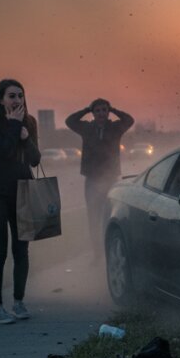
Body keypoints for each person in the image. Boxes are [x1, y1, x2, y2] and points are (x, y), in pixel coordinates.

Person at [0, 78, 41, 324]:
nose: (17, 100)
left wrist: (26, 138)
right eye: (11, 96)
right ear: (1, 99)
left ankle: (18, 302)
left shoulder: (30, 122)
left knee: (21, 249)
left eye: (20, 95)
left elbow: (35, 159)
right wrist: (14, 126)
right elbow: (2, 152)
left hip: (22, 191)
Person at [65, 99, 134, 252]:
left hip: (110, 179)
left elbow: (129, 120)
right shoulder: (86, 128)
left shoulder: (116, 128)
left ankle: (110, 250)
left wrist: (113, 109)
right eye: (97, 110)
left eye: (104, 110)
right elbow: (69, 121)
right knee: (93, 217)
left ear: (108, 112)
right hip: (91, 180)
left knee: (110, 215)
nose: (101, 113)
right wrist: (86, 109)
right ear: (93, 113)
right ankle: (97, 253)